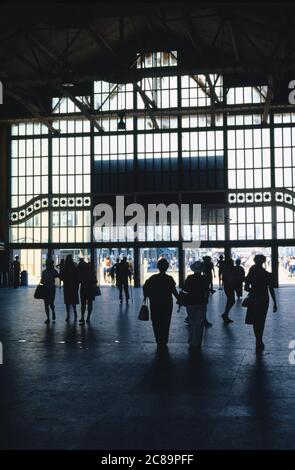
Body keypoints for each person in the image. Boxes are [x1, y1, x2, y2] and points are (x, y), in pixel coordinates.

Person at [244, 254, 277, 353]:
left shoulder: (252, 272)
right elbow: (271, 289)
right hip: (264, 298)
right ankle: (259, 340)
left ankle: (258, 340)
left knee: (255, 320)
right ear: (263, 261)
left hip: (254, 298)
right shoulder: (267, 274)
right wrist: (275, 302)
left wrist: (253, 290)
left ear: (254, 261)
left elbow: (246, 287)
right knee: (261, 320)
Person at [143, 258, 179, 348]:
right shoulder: (169, 279)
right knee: (166, 322)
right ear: (167, 267)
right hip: (167, 304)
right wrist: (181, 300)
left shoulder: (153, 278)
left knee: (156, 321)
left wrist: (148, 296)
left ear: (158, 267)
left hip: (155, 303)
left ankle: (158, 340)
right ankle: (164, 340)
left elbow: (145, 288)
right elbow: (174, 292)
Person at [183, 261, 209, 351]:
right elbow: (206, 290)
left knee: (192, 321)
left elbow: (185, 289)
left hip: (190, 302)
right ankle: (198, 341)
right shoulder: (204, 278)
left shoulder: (189, 278)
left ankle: (192, 340)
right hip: (201, 302)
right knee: (200, 322)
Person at [60, 254, 79, 322]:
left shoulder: (65, 267)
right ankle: (74, 311)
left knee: (67, 301)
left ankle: (68, 314)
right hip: (73, 286)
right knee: (73, 300)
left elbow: (61, 277)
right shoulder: (74, 266)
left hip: (67, 286)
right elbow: (77, 277)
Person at [41, 259, 59, 324]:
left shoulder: (52, 271)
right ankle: (48, 317)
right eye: (51, 264)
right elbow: (42, 281)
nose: (52, 265)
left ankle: (52, 312)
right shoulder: (47, 272)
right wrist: (40, 286)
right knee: (47, 304)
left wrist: (40, 285)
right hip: (47, 289)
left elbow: (41, 281)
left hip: (50, 289)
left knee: (50, 303)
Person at [221, 258, 236, 324]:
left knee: (230, 300)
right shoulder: (228, 270)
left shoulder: (226, 269)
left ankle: (225, 314)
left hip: (228, 286)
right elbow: (225, 279)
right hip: (229, 286)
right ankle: (225, 314)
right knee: (231, 300)